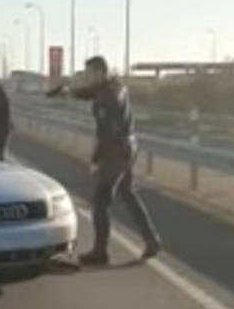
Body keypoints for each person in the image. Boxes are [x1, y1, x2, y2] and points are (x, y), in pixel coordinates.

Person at [50, 56, 161, 263]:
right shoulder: (113, 86)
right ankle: (152, 240)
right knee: (127, 194)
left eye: (89, 74)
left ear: (100, 72)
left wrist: (96, 160)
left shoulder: (108, 97)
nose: (87, 78)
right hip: (127, 147)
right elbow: (88, 93)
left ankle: (100, 252)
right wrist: (67, 91)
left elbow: (107, 133)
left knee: (101, 201)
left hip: (115, 151)